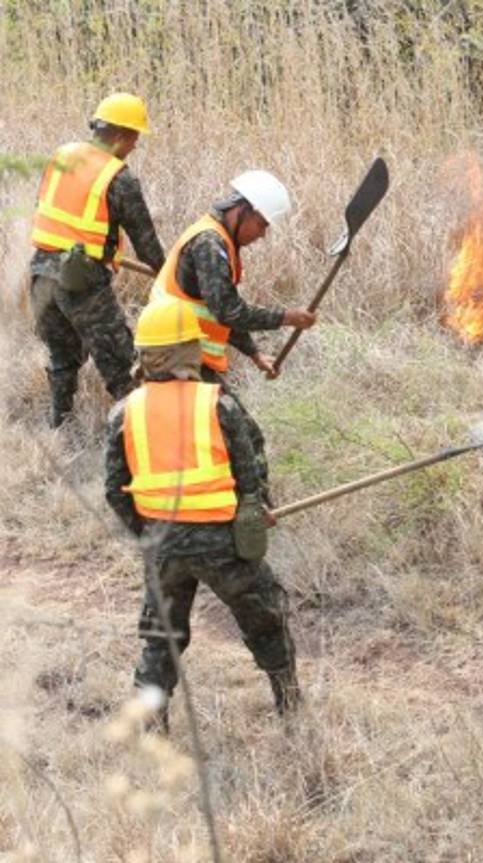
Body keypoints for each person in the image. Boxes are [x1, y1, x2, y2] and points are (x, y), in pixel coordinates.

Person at [104, 300, 300, 731]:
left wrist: (147, 534)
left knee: (161, 641)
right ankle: (291, 710)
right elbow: (248, 474)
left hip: (163, 546)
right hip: (223, 544)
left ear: (145, 354)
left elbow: (114, 491)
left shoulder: (123, 413)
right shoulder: (219, 404)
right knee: (266, 620)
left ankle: (154, 733)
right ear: (190, 352)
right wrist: (256, 508)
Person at [149, 169, 316, 498]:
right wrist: (286, 317)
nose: (263, 234)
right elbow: (228, 311)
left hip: (180, 353)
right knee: (245, 437)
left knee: (211, 440)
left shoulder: (218, 239)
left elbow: (218, 309)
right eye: (262, 224)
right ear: (244, 210)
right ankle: (255, 513)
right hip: (179, 357)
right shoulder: (210, 244)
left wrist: (253, 354)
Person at [29, 92, 166, 427]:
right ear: (120, 135)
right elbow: (147, 244)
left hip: (40, 273)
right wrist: (170, 275)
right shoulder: (119, 178)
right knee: (122, 366)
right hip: (82, 282)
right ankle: (139, 435)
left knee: (63, 358)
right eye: (135, 137)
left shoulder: (63, 155)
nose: (135, 145)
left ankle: (59, 425)